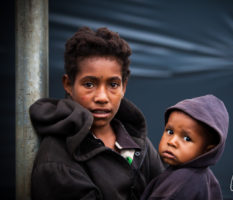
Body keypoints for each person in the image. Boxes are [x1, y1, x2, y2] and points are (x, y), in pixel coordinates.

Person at [29, 27, 164, 200]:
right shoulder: (56, 161)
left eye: (113, 85)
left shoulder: (137, 141)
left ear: (124, 86)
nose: (102, 97)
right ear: (68, 84)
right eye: (89, 84)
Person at [141, 94, 229, 200]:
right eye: (170, 131)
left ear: (208, 149)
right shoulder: (206, 178)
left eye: (187, 138)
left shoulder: (181, 183)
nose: (172, 142)